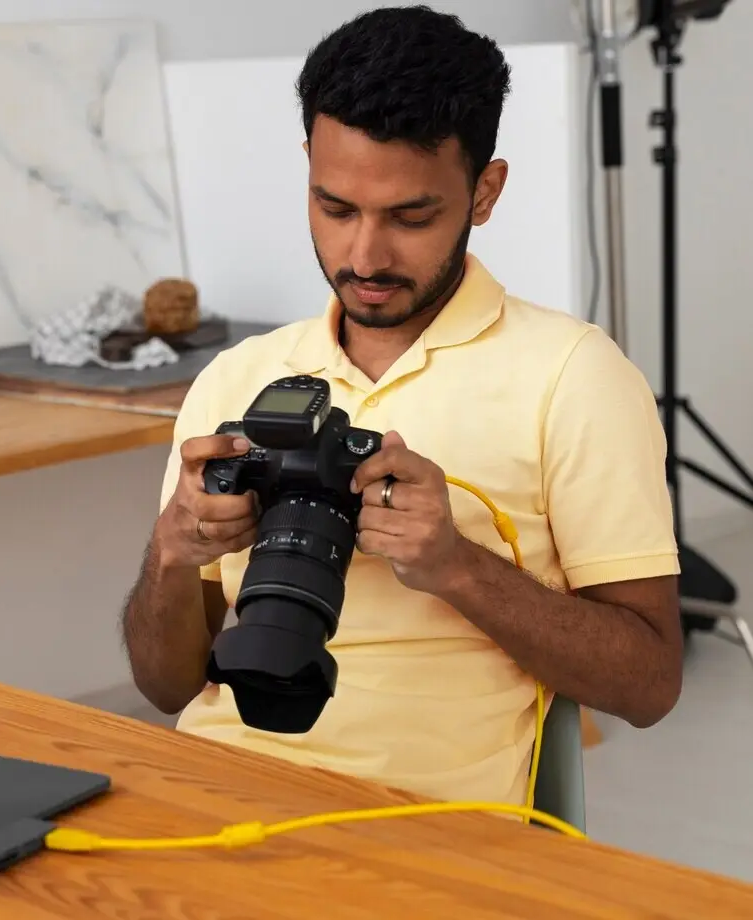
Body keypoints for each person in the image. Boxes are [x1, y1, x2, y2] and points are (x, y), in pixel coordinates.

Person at [120, 5, 683, 806]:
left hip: (422, 828)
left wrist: (455, 565)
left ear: (484, 192)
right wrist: (171, 552)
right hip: (213, 796)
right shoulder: (238, 376)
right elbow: (166, 687)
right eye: (336, 207)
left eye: (412, 216)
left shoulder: (573, 375)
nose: (365, 255)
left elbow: (650, 684)